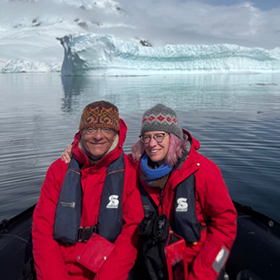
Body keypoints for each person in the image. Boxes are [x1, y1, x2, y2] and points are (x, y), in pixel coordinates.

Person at [61, 103, 237, 280]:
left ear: (174, 137)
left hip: (193, 268)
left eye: (159, 136)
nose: (152, 144)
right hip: (152, 265)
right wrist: (77, 148)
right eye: (146, 137)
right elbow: (105, 157)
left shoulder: (203, 171)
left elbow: (225, 225)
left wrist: (202, 274)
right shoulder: (134, 166)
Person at [32, 100, 144, 280]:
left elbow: (132, 231)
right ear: (81, 133)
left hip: (107, 269)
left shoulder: (129, 172)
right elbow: (42, 228)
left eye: (106, 129)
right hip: (61, 267)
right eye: (90, 129)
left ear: (115, 132)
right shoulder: (59, 169)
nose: (98, 136)